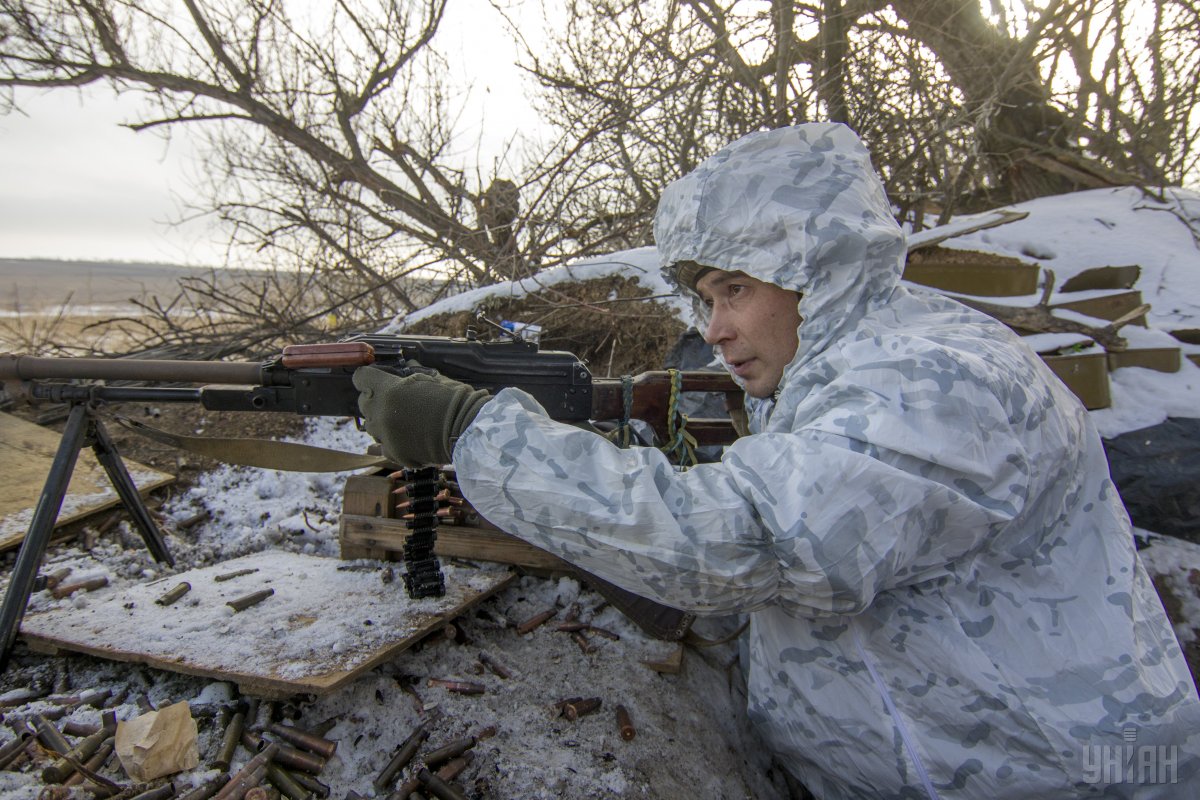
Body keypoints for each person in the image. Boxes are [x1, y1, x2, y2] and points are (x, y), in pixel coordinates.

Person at [353, 123, 1200, 798]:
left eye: (735, 291)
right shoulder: (834, 371)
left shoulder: (934, 383)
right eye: (707, 298)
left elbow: (746, 541)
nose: (715, 330)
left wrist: (473, 433)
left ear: (816, 274)